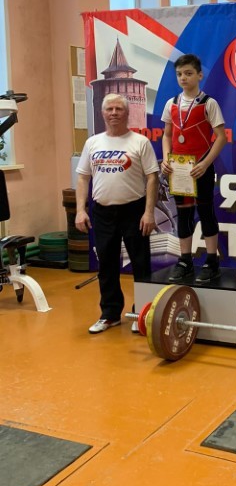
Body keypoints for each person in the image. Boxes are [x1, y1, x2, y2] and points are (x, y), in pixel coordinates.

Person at [75, 94, 159, 334]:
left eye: (119, 109)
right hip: (102, 212)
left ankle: (141, 313)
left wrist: (149, 213)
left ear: (127, 113)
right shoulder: (93, 143)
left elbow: (152, 178)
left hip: (134, 210)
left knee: (141, 264)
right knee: (107, 264)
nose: (114, 113)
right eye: (109, 109)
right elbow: (83, 178)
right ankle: (110, 314)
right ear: (103, 113)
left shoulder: (140, 142)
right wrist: (80, 210)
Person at [161, 53, 227, 283]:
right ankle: (185, 261)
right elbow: (166, 135)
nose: (183, 78)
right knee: (184, 214)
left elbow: (221, 137)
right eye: (179, 74)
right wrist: (166, 159)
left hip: (201, 168)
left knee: (206, 213)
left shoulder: (209, 103)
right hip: (179, 171)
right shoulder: (171, 103)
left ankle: (212, 261)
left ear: (199, 75)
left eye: (188, 73)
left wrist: (205, 164)